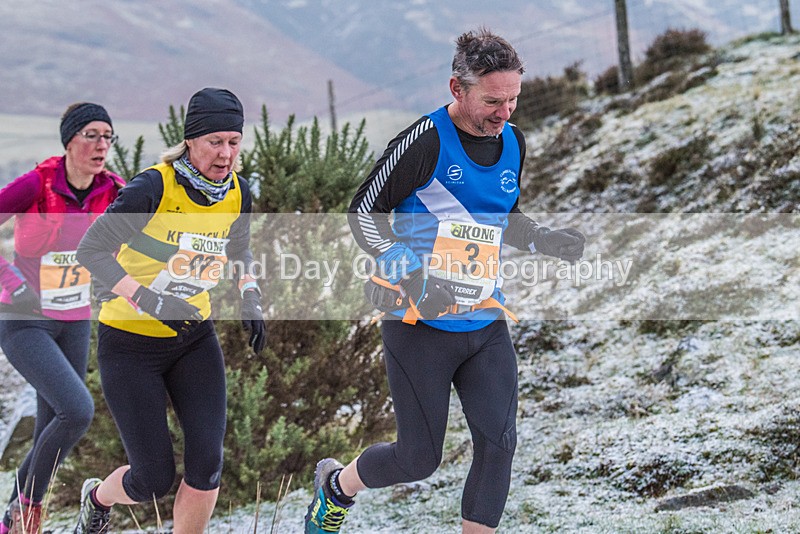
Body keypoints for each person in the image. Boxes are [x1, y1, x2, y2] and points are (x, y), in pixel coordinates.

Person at [305, 29, 585, 533]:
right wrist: (412, 277)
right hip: (418, 326)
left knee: (499, 445)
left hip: (485, 321)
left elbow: (503, 216)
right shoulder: (425, 140)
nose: (505, 113)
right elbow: (363, 213)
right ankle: (337, 487)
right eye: (493, 101)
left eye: (514, 99)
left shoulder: (513, 141)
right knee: (418, 459)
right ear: (457, 89)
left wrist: (545, 239)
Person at [72, 87, 267, 534]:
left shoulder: (237, 191)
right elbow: (92, 249)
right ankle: (98, 498)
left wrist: (249, 294)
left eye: (234, 142)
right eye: (214, 142)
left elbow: (239, 246)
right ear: (191, 140)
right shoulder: (154, 186)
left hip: (194, 337)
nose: (225, 154)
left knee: (208, 464)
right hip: (129, 344)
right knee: (152, 479)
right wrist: (148, 299)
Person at [0, 102, 123, 534]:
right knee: (76, 411)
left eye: (108, 136)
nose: (101, 144)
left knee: (51, 423)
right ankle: (22, 510)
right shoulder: (38, 183)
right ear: (69, 140)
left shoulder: (114, 190)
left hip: (75, 319)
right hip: (24, 320)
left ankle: (16, 524)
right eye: (92, 134)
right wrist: (8, 279)